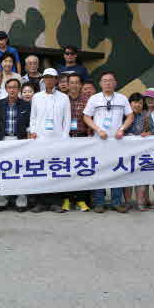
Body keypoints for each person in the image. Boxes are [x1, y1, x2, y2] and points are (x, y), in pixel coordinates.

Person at [83, 71, 134, 214]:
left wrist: (122, 129)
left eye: (111, 80)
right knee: (99, 170)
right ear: (100, 83)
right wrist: (98, 129)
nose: (108, 83)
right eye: (105, 80)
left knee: (116, 170)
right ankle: (99, 202)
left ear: (115, 83)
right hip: (99, 140)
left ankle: (116, 202)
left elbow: (130, 116)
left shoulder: (122, 98)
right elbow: (86, 117)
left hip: (117, 141)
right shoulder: (94, 98)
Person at [28, 69, 71, 213]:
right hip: (40, 139)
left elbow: (67, 119)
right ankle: (41, 202)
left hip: (57, 140)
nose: (49, 80)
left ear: (56, 80)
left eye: (52, 78)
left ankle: (55, 203)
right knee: (41, 171)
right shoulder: (36, 97)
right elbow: (33, 117)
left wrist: (64, 138)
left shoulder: (64, 97)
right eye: (46, 78)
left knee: (56, 171)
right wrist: (33, 131)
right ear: (43, 80)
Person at [0, 78, 31, 212]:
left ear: (19, 89)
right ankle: (2, 199)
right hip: (3, 140)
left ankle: (21, 199)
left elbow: (30, 124)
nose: (12, 90)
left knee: (20, 170)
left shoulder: (26, 105)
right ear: (6, 89)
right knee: (3, 170)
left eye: (15, 87)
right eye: (9, 87)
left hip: (20, 140)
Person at [63, 73, 92, 212]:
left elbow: (91, 118)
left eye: (77, 82)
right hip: (66, 138)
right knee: (66, 169)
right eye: (71, 82)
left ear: (81, 85)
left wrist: (90, 137)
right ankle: (67, 200)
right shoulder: (62, 99)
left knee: (81, 169)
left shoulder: (88, 100)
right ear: (67, 84)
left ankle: (81, 200)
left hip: (82, 137)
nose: (74, 85)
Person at [123, 92, 153, 211]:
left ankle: (141, 202)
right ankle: (128, 202)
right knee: (127, 176)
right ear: (130, 103)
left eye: (140, 103)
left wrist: (148, 133)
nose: (137, 105)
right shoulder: (124, 115)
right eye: (135, 102)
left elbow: (152, 130)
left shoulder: (146, 115)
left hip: (142, 151)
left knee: (141, 177)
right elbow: (119, 130)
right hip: (126, 152)